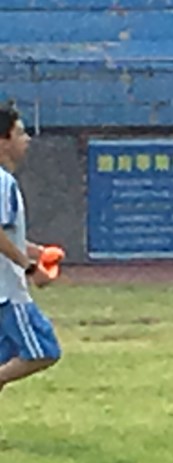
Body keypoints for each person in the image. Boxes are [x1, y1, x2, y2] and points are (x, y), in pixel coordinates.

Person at [0, 103, 62, 397]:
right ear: (3, 140)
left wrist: (37, 251)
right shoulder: (3, 182)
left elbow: (8, 234)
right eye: (20, 133)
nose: (27, 140)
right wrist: (30, 267)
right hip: (8, 293)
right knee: (43, 350)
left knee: (5, 362)